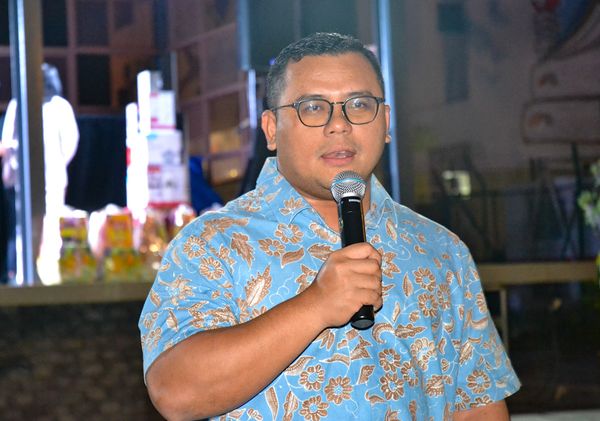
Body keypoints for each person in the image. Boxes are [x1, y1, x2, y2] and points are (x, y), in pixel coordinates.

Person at [139, 32, 520, 420]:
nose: (339, 125)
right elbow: (175, 392)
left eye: (359, 105)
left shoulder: (440, 249)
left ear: (386, 122)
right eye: (313, 108)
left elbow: (477, 405)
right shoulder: (212, 244)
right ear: (271, 129)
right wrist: (316, 305)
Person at [0, 63, 79, 284]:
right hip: (26, 178)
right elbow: (9, 141)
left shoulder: (59, 106)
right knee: (26, 226)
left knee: (49, 225)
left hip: (49, 176)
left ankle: (47, 273)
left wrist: (57, 163)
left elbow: (70, 141)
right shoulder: (20, 104)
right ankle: (25, 273)